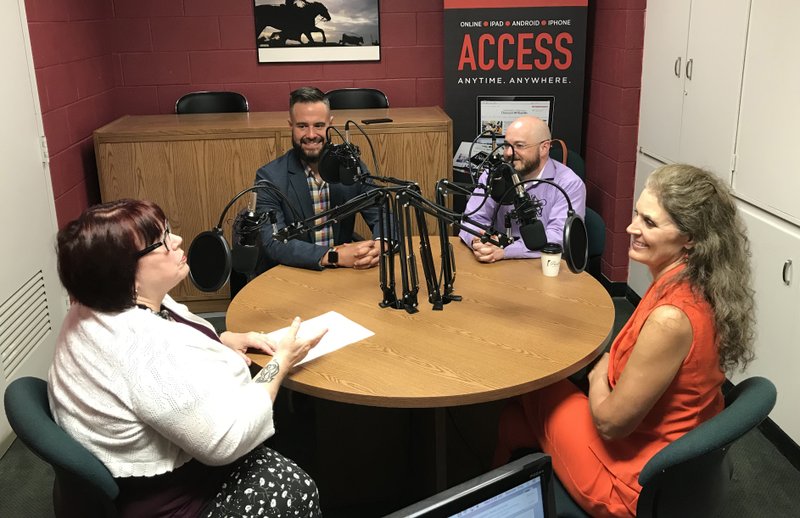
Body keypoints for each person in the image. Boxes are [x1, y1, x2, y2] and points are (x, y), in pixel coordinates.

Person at [493, 164, 756, 517]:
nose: (632, 227)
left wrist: (599, 372)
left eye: (649, 222)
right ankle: (505, 490)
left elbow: (610, 423)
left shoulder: (672, 318)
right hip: (675, 459)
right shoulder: (698, 284)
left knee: (528, 380)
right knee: (514, 422)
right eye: (637, 214)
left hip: (632, 482)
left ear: (690, 238)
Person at [48, 198, 327, 518]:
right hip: (176, 500)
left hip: (150, 468)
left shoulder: (97, 303)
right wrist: (281, 363)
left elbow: (165, 355)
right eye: (162, 241)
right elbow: (225, 442)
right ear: (125, 271)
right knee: (298, 487)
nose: (177, 241)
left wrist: (220, 340)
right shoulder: (144, 350)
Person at [254, 86, 388, 272]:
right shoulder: (269, 177)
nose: (311, 135)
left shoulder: (349, 167)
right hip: (296, 272)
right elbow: (273, 243)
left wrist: (380, 246)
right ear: (290, 126)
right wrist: (335, 256)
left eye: (318, 125)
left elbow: (383, 214)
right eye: (302, 126)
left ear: (330, 124)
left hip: (344, 274)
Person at [458, 115, 586, 263]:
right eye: (506, 145)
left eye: (519, 146)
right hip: (495, 261)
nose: (508, 153)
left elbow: (558, 236)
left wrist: (505, 250)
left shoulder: (568, 184)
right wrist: (478, 240)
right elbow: (472, 218)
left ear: (544, 147)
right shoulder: (494, 175)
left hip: (541, 264)